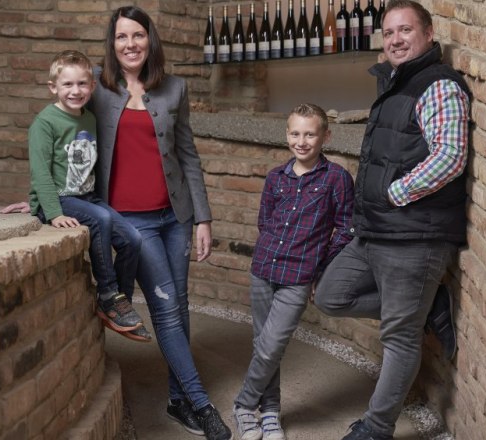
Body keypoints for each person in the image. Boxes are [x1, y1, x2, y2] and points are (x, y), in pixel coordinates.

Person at [312, 1, 471, 439]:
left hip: (414, 236)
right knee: (331, 295)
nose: (396, 39)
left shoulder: (438, 86)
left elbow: (450, 156)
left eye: (406, 30)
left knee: (399, 337)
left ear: (428, 33)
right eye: (389, 32)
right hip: (377, 231)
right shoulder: (396, 82)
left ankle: (377, 428)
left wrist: (394, 194)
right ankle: (428, 305)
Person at [88, 6, 232, 440]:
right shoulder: (94, 85)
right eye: (121, 37)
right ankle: (202, 405)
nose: (130, 44)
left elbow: (187, 154)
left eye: (138, 35)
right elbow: (63, 135)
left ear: (150, 40)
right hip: (133, 222)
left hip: (175, 217)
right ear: (112, 44)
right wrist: (42, 194)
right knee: (167, 310)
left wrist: (203, 217)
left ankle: (177, 399)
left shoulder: (174, 88)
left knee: (179, 305)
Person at [232, 104, 354, 440]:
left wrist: (321, 267)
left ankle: (243, 404)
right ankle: (270, 413)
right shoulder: (275, 177)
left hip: (298, 276)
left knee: (272, 346)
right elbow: (265, 221)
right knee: (262, 344)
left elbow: (346, 228)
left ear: (325, 136)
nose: (302, 141)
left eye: (310, 134)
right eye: (295, 133)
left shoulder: (337, 178)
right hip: (263, 269)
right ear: (287, 134)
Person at [23, 50, 150, 342]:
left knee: (133, 239)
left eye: (82, 84)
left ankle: (120, 302)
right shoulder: (45, 122)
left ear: (92, 86)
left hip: (86, 197)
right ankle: (107, 294)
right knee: (101, 219)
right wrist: (52, 211)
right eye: (67, 84)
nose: (75, 91)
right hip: (60, 199)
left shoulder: (88, 119)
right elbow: (40, 172)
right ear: (53, 87)